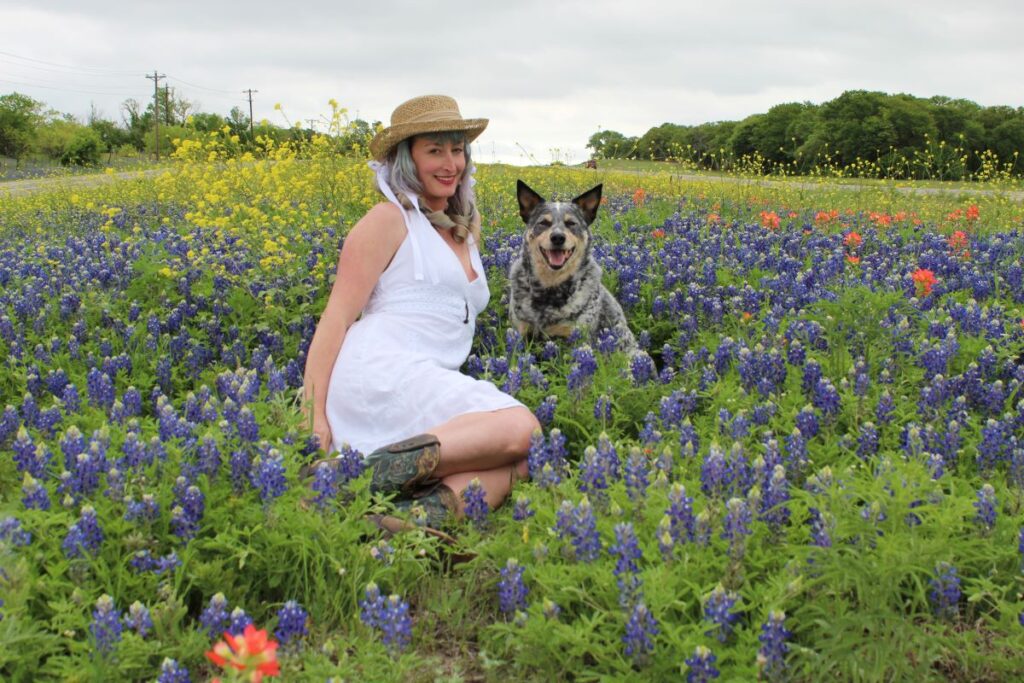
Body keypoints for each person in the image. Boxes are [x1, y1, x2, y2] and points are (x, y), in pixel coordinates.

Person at [301, 95, 538, 528]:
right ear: (407, 160)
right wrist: (312, 415)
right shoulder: (387, 220)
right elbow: (335, 318)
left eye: (457, 149)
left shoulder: (462, 231)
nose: (451, 163)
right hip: (380, 370)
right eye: (434, 150)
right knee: (524, 430)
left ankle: (400, 526)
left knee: (516, 463)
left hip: (427, 375)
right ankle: (343, 481)